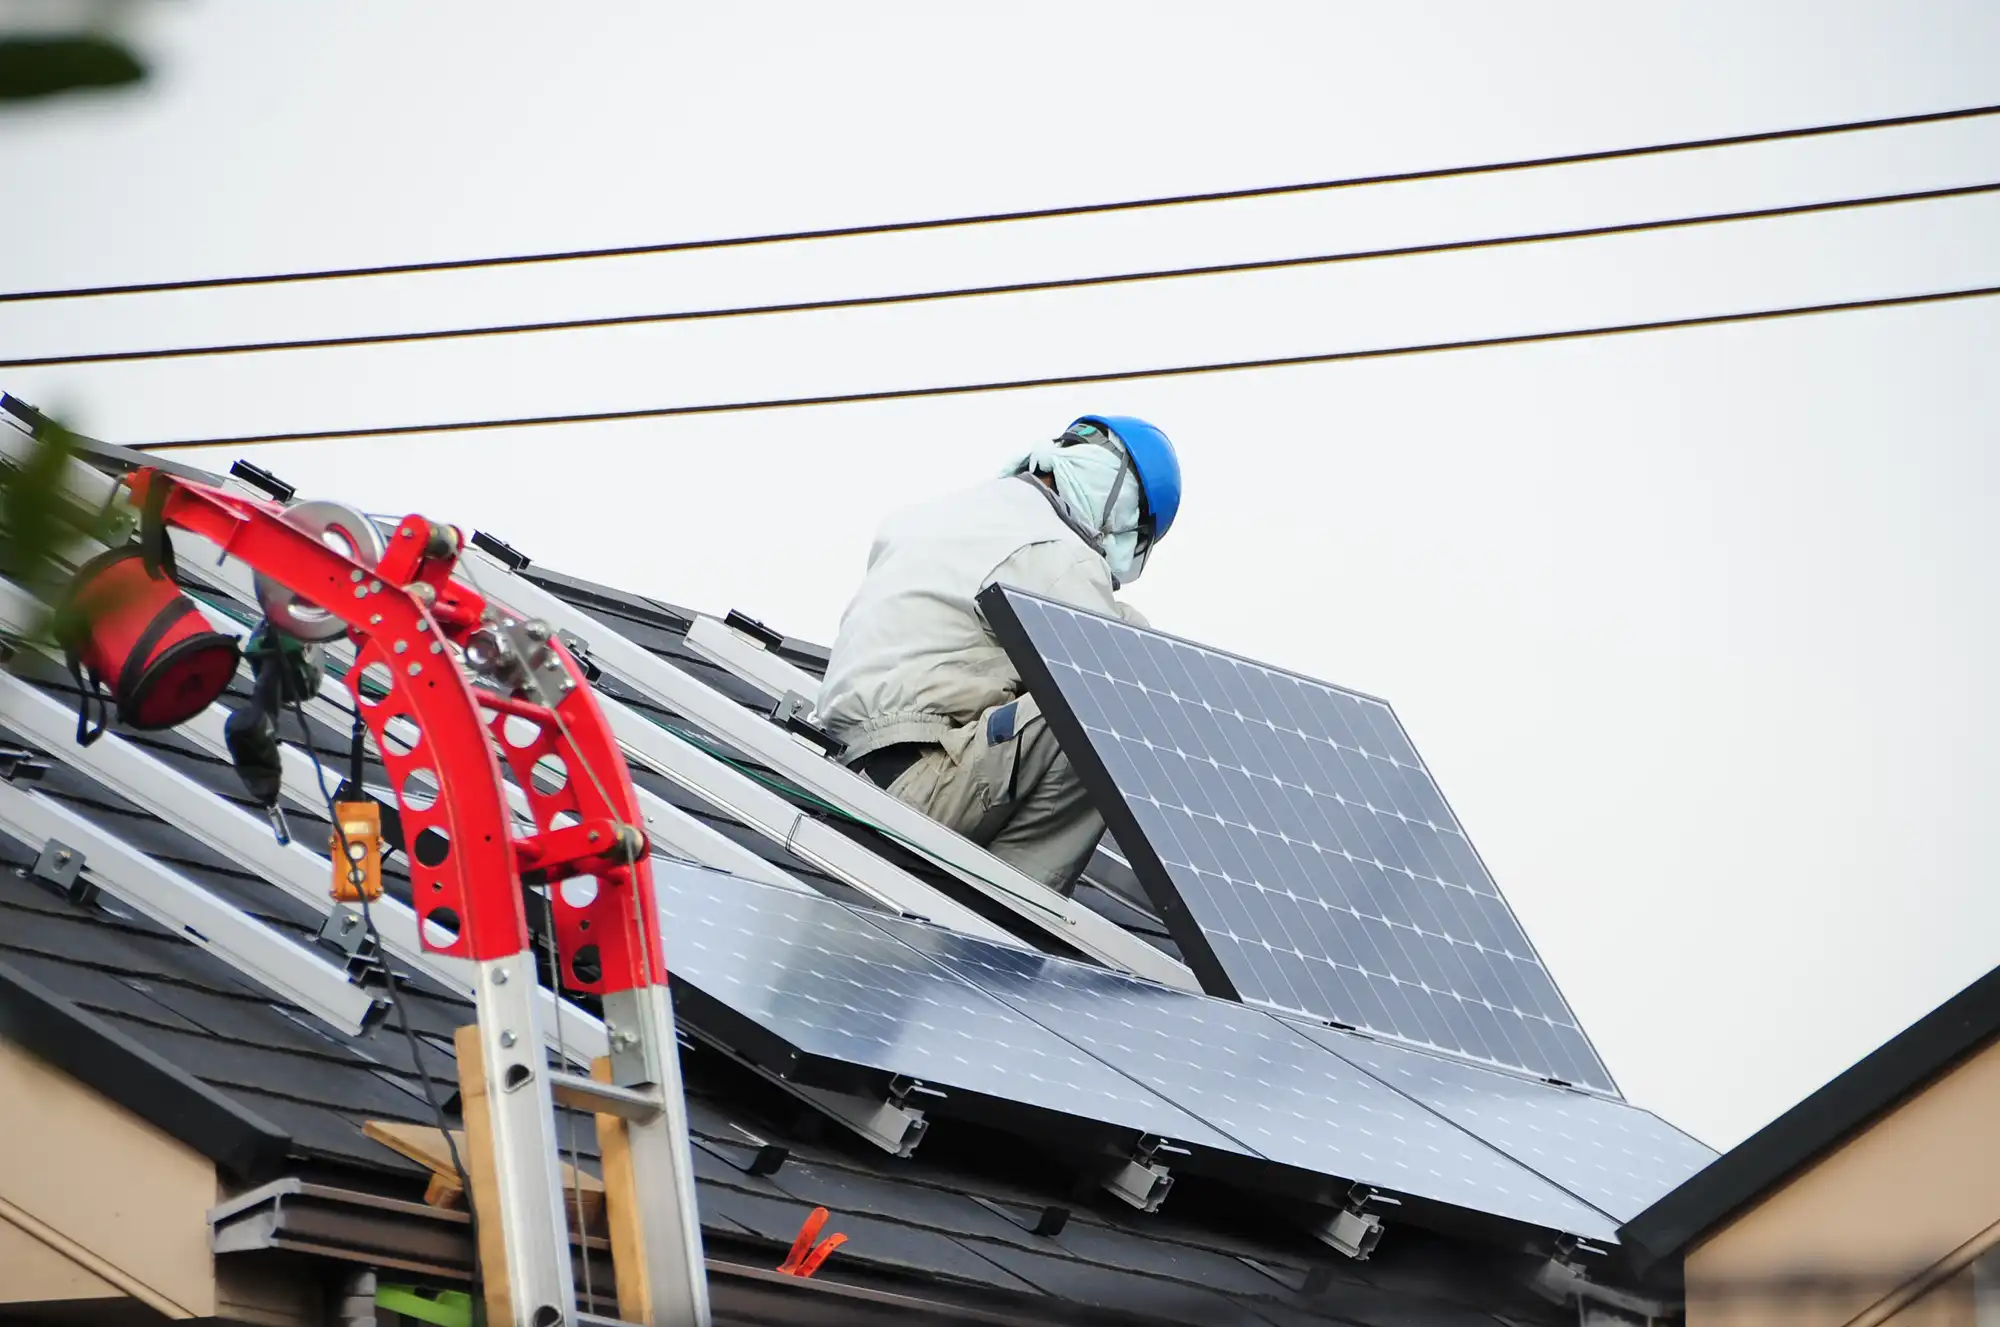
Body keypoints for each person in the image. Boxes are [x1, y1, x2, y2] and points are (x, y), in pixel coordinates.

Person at [818, 415, 1182, 896]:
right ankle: (1013, 905)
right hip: (925, 792)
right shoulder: (1055, 548)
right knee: (1117, 688)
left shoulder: (948, 514)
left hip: (846, 776)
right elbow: (1113, 653)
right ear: (1121, 504)